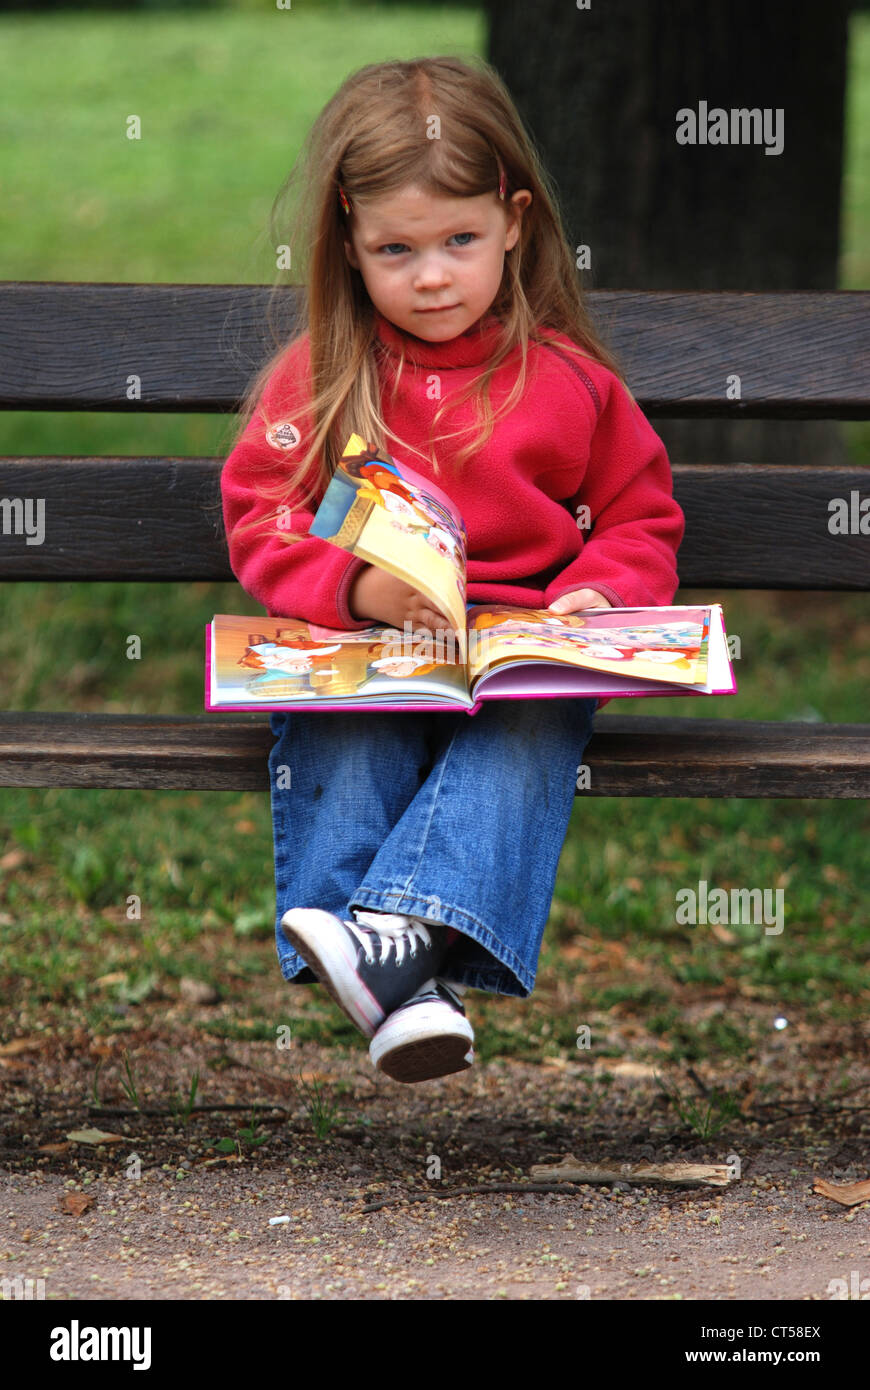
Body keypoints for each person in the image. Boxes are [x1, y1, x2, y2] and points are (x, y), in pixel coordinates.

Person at [220, 56, 684, 1086]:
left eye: (459, 241)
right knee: (356, 721)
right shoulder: (327, 378)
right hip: (375, 649)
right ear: (347, 235)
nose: (432, 275)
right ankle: (404, 964)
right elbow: (263, 516)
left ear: (514, 220)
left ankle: (379, 942)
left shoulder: (568, 381)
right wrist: (356, 589)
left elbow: (641, 513)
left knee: (534, 721)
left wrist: (599, 593)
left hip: (518, 657)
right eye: (396, 249)